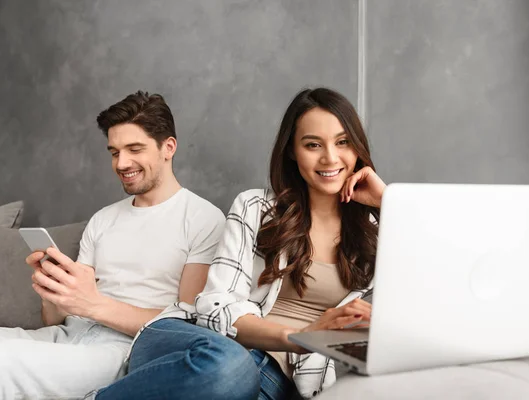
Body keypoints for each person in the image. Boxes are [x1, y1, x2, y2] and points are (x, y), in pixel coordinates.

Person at [93, 87, 384, 400]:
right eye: (313, 144)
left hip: (281, 382)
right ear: (291, 151)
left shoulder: (377, 230)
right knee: (232, 367)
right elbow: (216, 307)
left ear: (356, 148)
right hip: (202, 346)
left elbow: (434, 299)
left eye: (342, 142)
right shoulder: (256, 207)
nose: (329, 157)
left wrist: (388, 202)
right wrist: (300, 337)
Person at [0, 91, 225, 399]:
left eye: (135, 149)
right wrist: (52, 289)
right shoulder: (103, 219)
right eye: (114, 152)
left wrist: (94, 305)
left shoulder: (203, 219)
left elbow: (190, 323)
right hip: (67, 336)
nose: (122, 163)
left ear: (168, 148)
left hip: (124, 350)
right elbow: (55, 318)